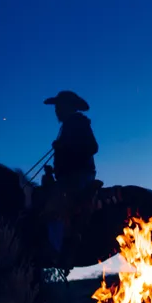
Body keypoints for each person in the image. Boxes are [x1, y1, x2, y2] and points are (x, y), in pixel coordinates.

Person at [42, 90, 100, 267]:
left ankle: (58, 249)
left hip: (80, 176)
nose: (56, 111)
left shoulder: (78, 123)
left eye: (59, 107)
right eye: (56, 107)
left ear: (68, 107)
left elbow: (92, 147)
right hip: (70, 176)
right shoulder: (66, 126)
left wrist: (65, 147)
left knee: (55, 204)